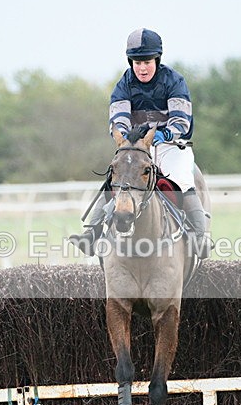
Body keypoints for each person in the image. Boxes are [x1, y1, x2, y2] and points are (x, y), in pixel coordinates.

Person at [69, 28, 211, 258]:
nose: (142, 68)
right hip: (137, 148)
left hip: (171, 147)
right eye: (137, 63)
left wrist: (163, 136)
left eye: (147, 62)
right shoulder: (123, 85)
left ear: (157, 59)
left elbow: (181, 121)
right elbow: (118, 120)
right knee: (113, 180)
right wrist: (126, 139)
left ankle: (199, 239)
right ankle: (90, 235)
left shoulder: (175, 81)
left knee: (184, 182)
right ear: (130, 62)